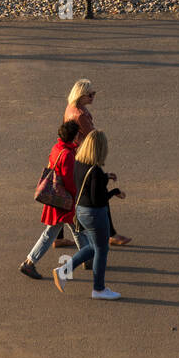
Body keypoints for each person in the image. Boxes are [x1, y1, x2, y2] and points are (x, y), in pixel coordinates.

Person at [54, 80, 131, 248]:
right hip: (84, 156)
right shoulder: (80, 115)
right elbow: (92, 137)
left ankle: (57, 236)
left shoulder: (70, 108)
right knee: (99, 190)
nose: (93, 96)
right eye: (90, 94)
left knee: (65, 194)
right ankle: (111, 234)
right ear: (81, 96)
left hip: (72, 153)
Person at [52, 130, 124, 299]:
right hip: (94, 214)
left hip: (81, 211)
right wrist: (114, 192)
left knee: (93, 247)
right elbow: (97, 199)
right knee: (101, 249)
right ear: (100, 149)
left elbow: (87, 184)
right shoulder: (96, 171)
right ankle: (98, 289)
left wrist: (105, 178)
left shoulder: (79, 162)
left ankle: (64, 271)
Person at [19, 121, 84, 279]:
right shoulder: (68, 155)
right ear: (73, 136)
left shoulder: (57, 148)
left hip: (56, 197)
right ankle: (29, 262)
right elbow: (69, 181)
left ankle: (87, 257)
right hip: (64, 200)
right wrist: (76, 196)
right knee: (57, 231)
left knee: (74, 228)